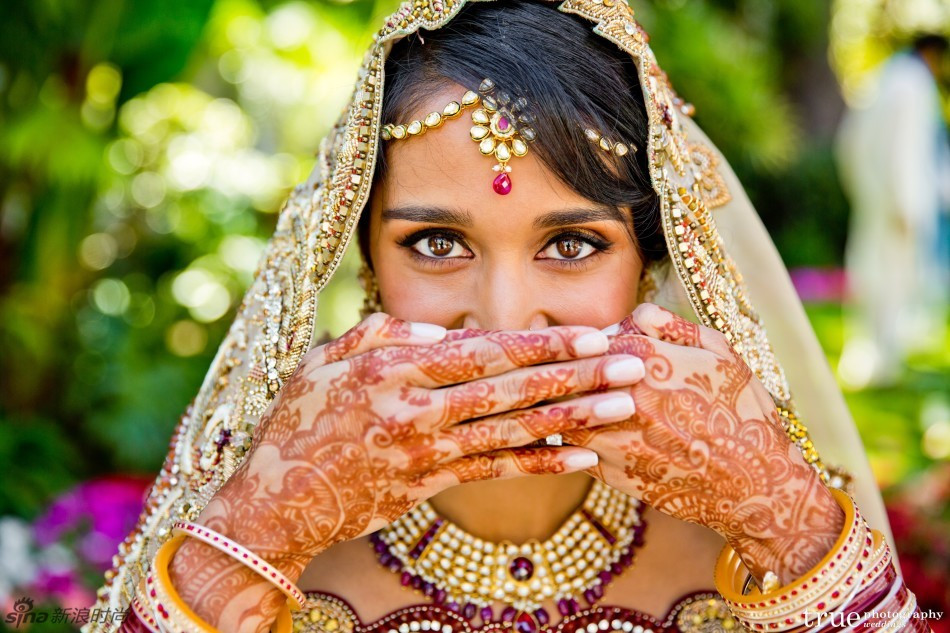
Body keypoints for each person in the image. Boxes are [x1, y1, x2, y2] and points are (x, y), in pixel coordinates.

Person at [84, 1, 933, 631]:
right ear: (364, 257)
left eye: (569, 245)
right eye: (436, 242)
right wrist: (263, 522)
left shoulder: (755, 546)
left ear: (652, 263)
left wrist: (781, 510)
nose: (501, 322)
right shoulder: (276, 542)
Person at [835, 33, 950, 389]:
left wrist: (865, 191)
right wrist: (907, 204)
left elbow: (850, 143)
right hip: (898, 205)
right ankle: (881, 361)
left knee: (874, 276)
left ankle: (879, 358)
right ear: (932, 55)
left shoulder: (887, 77)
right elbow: (906, 148)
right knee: (890, 282)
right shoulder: (912, 85)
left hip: (878, 199)